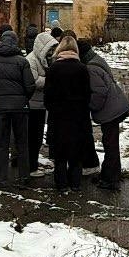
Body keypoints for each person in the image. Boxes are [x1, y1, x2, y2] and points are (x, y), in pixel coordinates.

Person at [0, 26, 35, 186]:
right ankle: (24, 177)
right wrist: (24, 99)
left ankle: (2, 178)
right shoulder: (22, 61)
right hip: (20, 108)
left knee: (1, 144)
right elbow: (30, 86)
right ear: (15, 42)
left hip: (0, 107)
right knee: (22, 143)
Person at [78, 38, 129, 191]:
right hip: (115, 106)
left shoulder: (90, 68)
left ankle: (111, 180)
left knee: (110, 144)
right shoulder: (97, 60)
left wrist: (91, 107)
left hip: (110, 110)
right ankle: (110, 175)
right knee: (111, 143)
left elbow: (99, 91)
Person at [43, 34, 92, 191]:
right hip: (78, 116)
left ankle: (61, 183)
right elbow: (87, 95)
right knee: (76, 152)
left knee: (59, 153)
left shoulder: (53, 69)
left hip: (58, 116)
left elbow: (48, 95)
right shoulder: (82, 68)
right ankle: (75, 183)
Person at [26, 29, 57, 173]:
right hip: (33, 105)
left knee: (37, 137)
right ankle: (31, 167)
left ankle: (32, 164)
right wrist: (51, 79)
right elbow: (35, 81)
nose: (51, 52)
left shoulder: (42, 59)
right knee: (34, 137)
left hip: (40, 103)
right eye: (49, 49)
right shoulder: (31, 60)